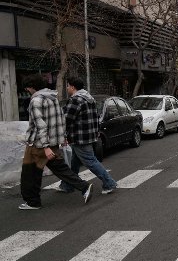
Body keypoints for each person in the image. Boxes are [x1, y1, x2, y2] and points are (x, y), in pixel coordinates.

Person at [19, 74, 93, 210]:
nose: (27, 90)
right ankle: (84, 186)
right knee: (61, 169)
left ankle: (33, 202)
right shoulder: (52, 98)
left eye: (27, 88)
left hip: (39, 144)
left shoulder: (35, 101)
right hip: (52, 142)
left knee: (29, 173)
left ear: (31, 87)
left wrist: (45, 146)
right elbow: (61, 119)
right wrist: (62, 137)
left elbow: (40, 125)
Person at [59, 76, 118, 195]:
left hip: (79, 137)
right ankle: (67, 185)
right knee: (74, 163)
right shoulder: (89, 98)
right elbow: (96, 117)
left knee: (90, 161)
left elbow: (66, 120)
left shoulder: (75, 100)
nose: (67, 88)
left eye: (68, 86)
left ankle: (109, 183)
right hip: (88, 136)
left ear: (72, 87)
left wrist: (62, 135)